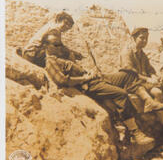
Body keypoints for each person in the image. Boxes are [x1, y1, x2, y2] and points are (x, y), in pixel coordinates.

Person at [40, 16, 155, 151]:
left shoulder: (61, 56)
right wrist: (84, 78)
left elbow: (70, 54)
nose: (58, 47)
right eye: (55, 45)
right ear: (46, 46)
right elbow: (62, 80)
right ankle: (135, 132)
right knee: (121, 94)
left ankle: (146, 101)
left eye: (59, 44)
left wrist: (75, 57)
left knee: (128, 75)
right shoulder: (51, 62)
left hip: (96, 78)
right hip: (88, 84)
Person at [104, 27, 163, 127]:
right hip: (130, 83)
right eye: (141, 38)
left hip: (142, 82)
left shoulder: (142, 54)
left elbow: (150, 69)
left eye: (146, 38)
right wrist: (148, 79)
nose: (144, 41)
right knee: (157, 92)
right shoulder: (127, 52)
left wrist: (155, 76)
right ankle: (161, 125)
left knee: (159, 92)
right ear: (133, 38)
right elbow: (129, 73)